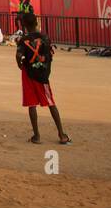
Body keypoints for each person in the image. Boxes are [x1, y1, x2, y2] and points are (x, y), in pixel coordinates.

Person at [16, 12, 70, 145]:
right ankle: (61, 134)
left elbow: (18, 55)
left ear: (24, 25)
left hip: (28, 74)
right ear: (36, 23)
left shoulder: (24, 39)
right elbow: (50, 54)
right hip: (42, 75)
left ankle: (37, 136)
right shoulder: (45, 38)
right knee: (51, 102)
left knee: (31, 104)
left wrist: (20, 65)